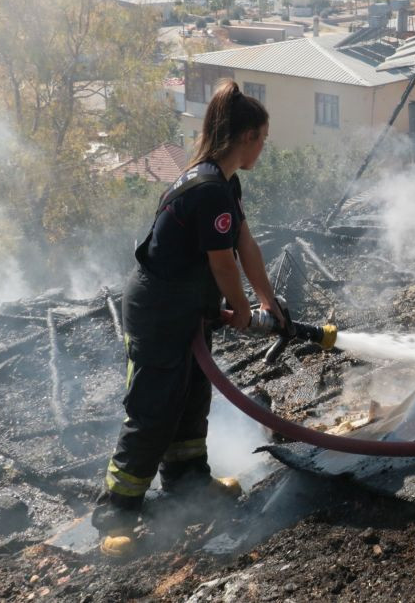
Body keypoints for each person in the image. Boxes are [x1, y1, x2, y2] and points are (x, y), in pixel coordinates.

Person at [93, 80, 285, 559]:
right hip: (158, 310)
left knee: (192, 397)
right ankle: (116, 514)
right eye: (262, 137)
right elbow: (222, 264)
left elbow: (246, 246)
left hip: (186, 307)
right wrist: (242, 309)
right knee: (153, 411)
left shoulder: (224, 183)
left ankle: (187, 485)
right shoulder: (205, 189)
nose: (264, 147)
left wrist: (269, 303)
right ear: (245, 137)